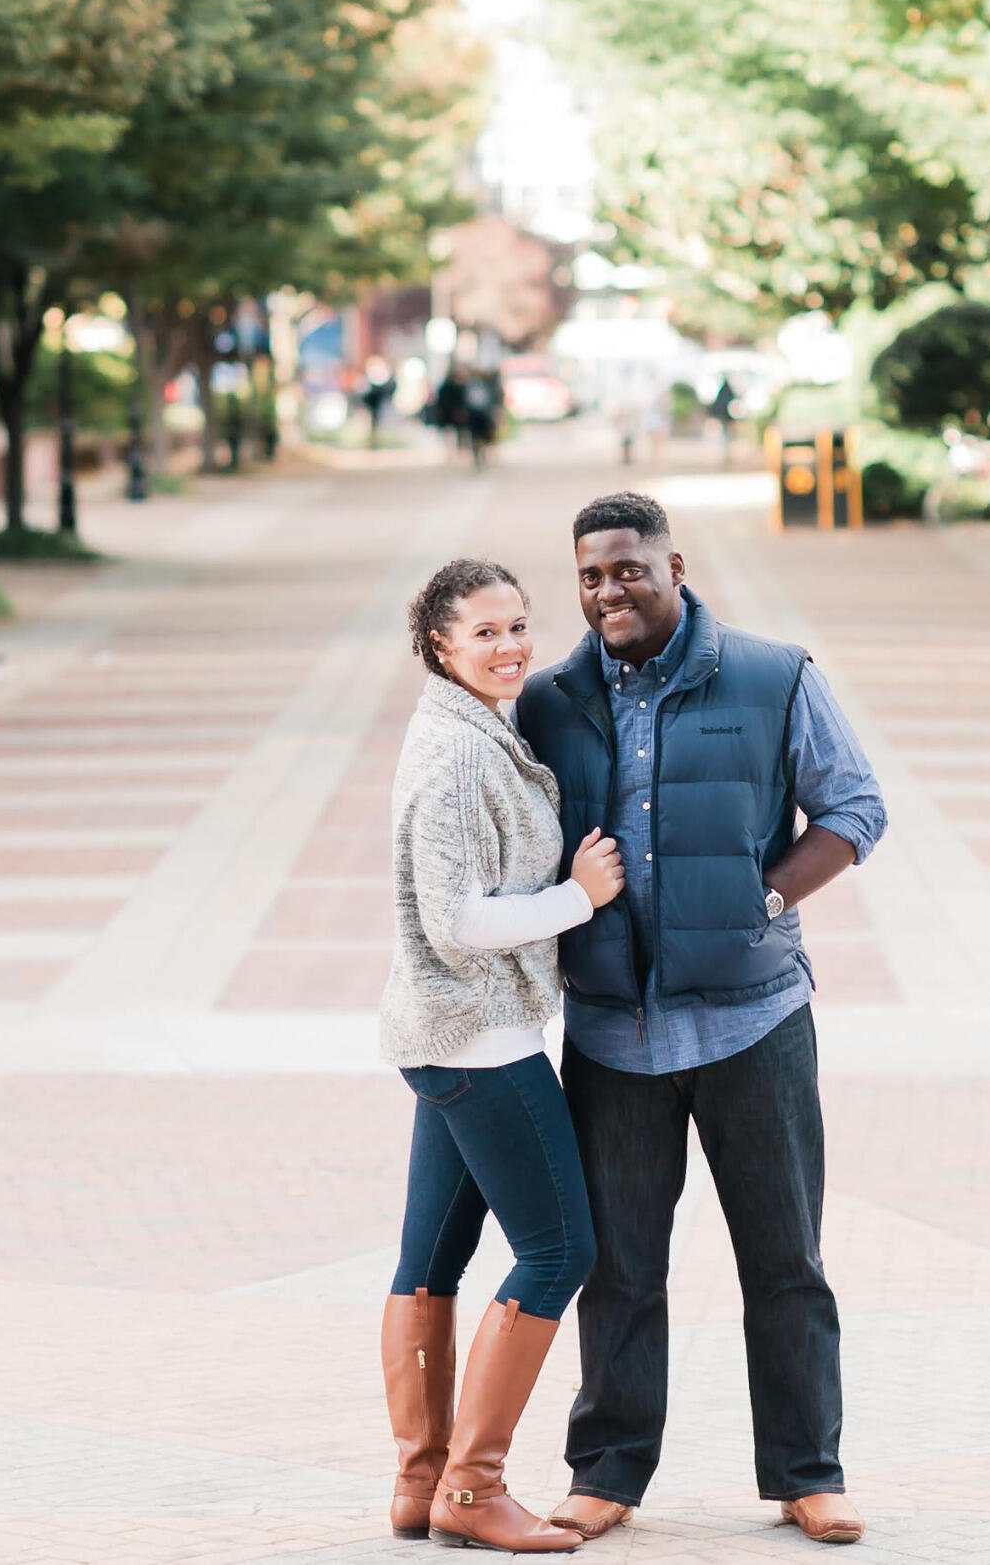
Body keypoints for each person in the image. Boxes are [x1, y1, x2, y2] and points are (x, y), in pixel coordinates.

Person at [514, 493, 887, 1548]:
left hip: (753, 1023)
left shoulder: (774, 678)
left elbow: (855, 808)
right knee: (619, 1267)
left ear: (674, 566)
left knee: (785, 1260)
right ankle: (608, 1473)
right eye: (589, 576)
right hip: (609, 1036)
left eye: (627, 570)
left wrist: (761, 900)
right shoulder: (548, 701)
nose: (607, 592)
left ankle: (809, 1472)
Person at [378, 558, 627, 1553]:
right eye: (485, 631)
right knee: (560, 1250)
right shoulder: (457, 752)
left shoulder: (469, 725)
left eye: (519, 624)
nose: (511, 645)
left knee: (428, 1261)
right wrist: (581, 898)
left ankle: (420, 1481)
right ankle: (474, 1492)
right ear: (441, 643)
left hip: (442, 1037)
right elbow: (455, 920)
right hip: (478, 1037)